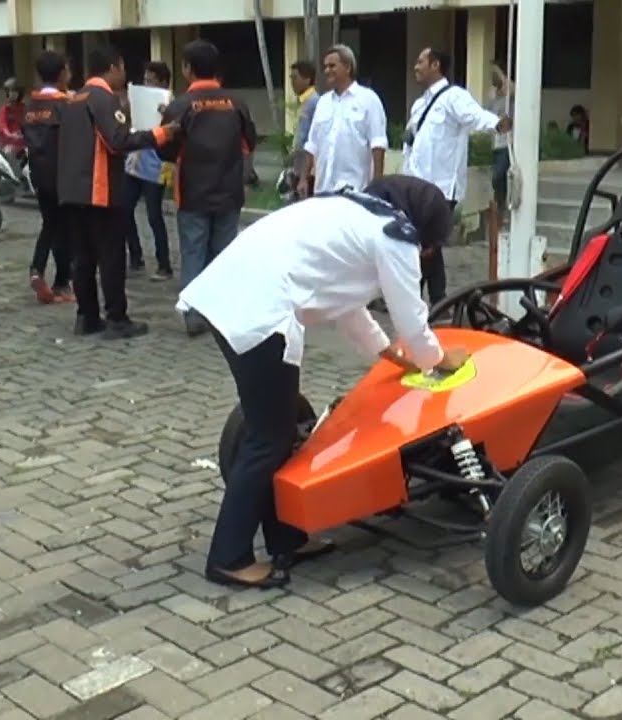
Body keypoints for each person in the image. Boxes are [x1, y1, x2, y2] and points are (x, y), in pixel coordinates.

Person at [176, 174, 468, 588]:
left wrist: (389, 355)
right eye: (431, 247)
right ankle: (228, 557)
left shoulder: (355, 213)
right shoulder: (395, 237)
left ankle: (287, 537)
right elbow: (412, 318)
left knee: (276, 429)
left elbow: (345, 305)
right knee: (268, 439)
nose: (427, 254)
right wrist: (436, 359)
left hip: (230, 296)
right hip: (259, 313)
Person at [57, 44, 176, 339]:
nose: (124, 74)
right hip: (100, 190)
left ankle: (86, 317)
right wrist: (162, 134)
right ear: (113, 67)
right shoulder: (103, 98)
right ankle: (117, 318)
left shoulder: (74, 99)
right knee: (111, 256)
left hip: (73, 191)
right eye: (122, 68)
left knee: (82, 257)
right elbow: (117, 140)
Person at [160, 40, 256, 337]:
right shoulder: (236, 103)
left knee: (193, 253)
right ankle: (221, 315)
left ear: (188, 69)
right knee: (224, 255)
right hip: (228, 192)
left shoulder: (180, 105)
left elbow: (165, 149)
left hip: (193, 192)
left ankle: (193, 315)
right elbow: (248, 143)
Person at [401, 47, 511, 305]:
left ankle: (426, 300)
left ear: (435, 65)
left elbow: (474, 115)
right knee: (426, 245)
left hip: (440, 189)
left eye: (420, 61)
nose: (415, 67)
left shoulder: (453, 97)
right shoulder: (420, 105)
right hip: (416, 188)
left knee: (427, 245)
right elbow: (411, 144)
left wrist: (497, 123)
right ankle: (435, 301)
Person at [298, 45, 387, 198]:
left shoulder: (368, 99)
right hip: (323, 190)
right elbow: (312, 145)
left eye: (332, 66)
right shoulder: (323, 102)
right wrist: (303, 179)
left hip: (355, 191)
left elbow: (378, 145)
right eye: (325, 67)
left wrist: (377, 187)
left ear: (347, 67)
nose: (327, 71)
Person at [23, 50, 74, 304]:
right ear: (63, 72)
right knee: (65, 229)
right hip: (63, 176)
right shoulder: (65, 106)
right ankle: (62, 283)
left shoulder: (31, 107)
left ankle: (37, 269)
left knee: (50, 224)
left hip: (39, 176)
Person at [123, 61, 174, 280]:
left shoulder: (171, 104)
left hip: (155, 166)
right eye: (145, 80)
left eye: (151, 80)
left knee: (154, 215)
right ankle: (136, 256)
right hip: (135, 162)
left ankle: (164, 264)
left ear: (163, 82)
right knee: (124, 210)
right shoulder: (139, 100)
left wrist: (167, 114)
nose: (146, 84)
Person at [486, 65, 514, 243]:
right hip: (496, 145)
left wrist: (503, 78)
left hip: (507, 145)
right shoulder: (494, 100)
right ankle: (499, 213)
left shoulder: (511, 99)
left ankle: (502, 212)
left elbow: (511, 88)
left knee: (499, 176)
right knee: (497, 182)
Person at [288, 60, 319, 194]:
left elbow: (306, 138)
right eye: (291, 78)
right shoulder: (306, 101)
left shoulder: (313, 102)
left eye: (295, 78)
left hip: (306, 171)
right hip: (300, 168)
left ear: (307, 79)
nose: (292, 82)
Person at [0, 78, 27, 158]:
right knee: (9, 152)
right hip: (8, 145)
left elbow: (29, 124)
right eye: (10, 91)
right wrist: (10, 134)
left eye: (15, 91)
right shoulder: (5, 110)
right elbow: (2, 126)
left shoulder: (24, 108)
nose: (12, 94)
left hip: (23, 145)